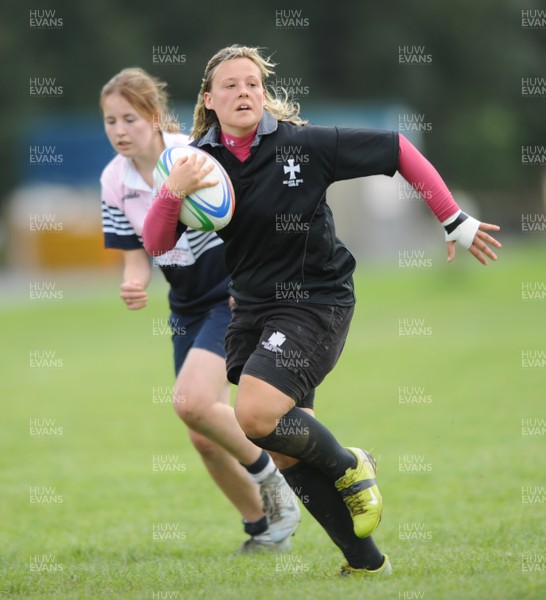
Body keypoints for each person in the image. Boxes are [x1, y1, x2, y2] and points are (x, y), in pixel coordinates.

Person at [142, 45, 501, 577]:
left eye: (253, 84)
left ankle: (350, 464)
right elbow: (156, 241)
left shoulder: (304, 145)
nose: (244, 92)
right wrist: (172, 192)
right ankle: (365, 563)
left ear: (263, 94)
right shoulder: (197, 164)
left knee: (255, 416)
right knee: (286, 450)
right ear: (209, 99)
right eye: (231, 85)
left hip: (316, 301)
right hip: (252, 311)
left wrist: (451, 218)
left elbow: (397, 149)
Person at [99, 66, 301, 554]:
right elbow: (137, 257)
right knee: (203, 436)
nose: (120, 131)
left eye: (129, 118)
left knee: (191, 403)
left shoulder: (189, 156)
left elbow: (241, 219)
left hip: (229, 295)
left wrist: (252, 281)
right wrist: (132, 283)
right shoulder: (113, 180)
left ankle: (272, 478)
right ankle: (265, 529)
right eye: (110, 122)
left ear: (152, 115)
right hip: (185, 304)